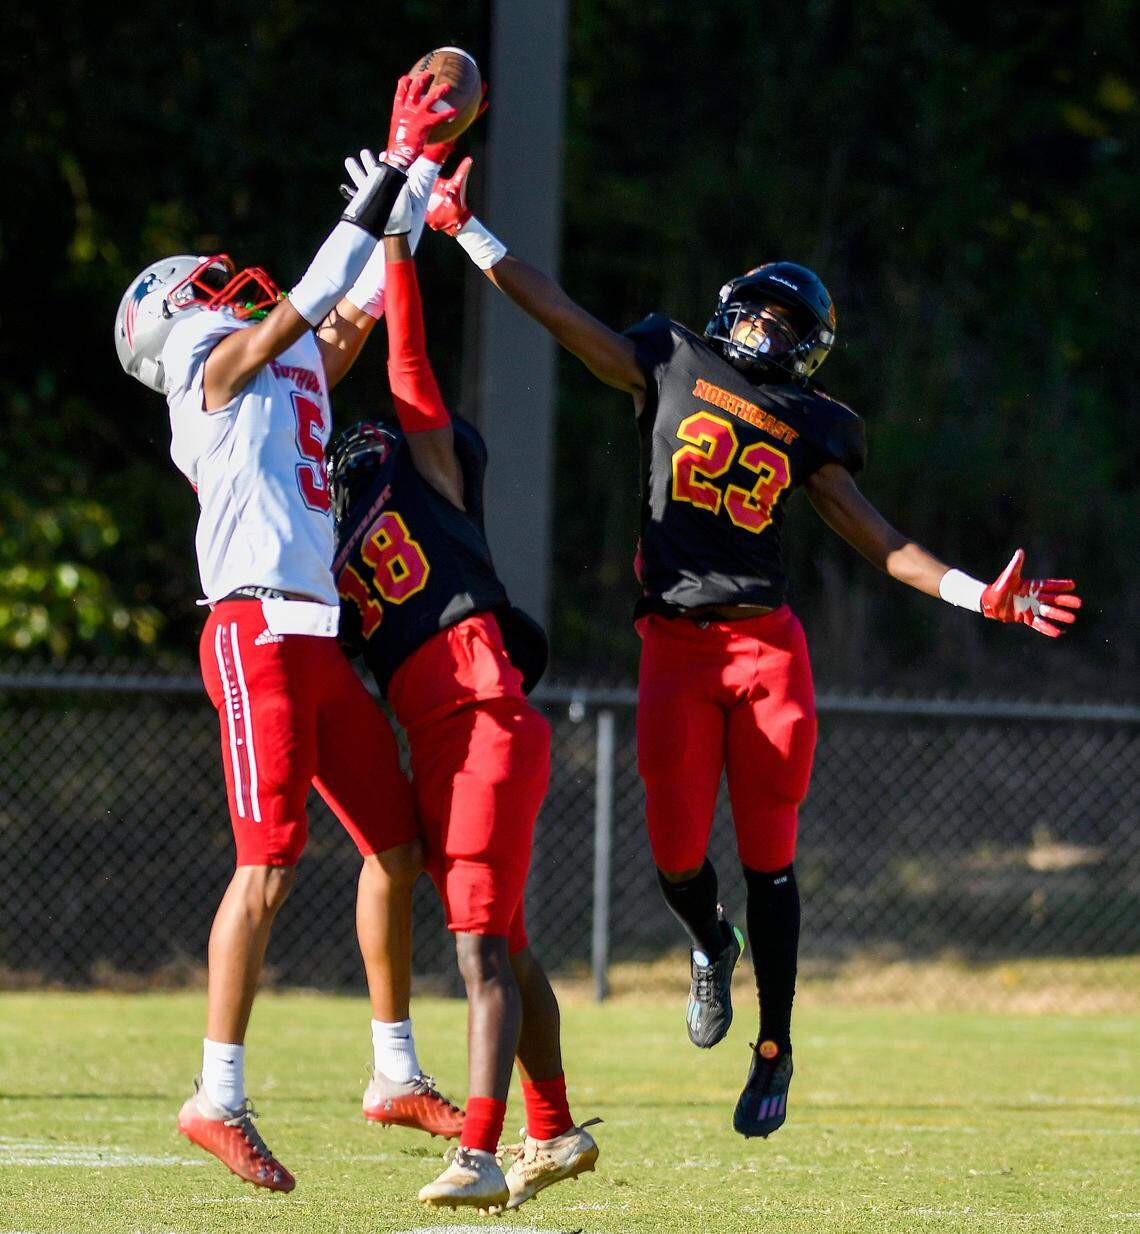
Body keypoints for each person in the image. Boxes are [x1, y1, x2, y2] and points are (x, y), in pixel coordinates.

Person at [423, 158, 1082, 1140]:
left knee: (772, 857)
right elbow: (563, 317)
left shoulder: (810, 423)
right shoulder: (668, 358)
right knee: (677, 856)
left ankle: (774, 1045)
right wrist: (467, 229)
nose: (763, 329)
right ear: (730, 309)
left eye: (783, 323)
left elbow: (877, 535)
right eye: (757, 313)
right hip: (675, 648)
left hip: (766, 652)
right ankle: (708, 942)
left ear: (806, 350)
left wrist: (976, 593)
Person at [112, 72, 464, 1192]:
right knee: (269, 861)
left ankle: (392, 1072)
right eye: (207, 284)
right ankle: (215, 1094)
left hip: (316, 637)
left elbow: (348, 309)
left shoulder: (290, 359)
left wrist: (406, 216)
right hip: (254, 631)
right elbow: (312, 294)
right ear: (178, 318)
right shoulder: (212, 376)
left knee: (397, 845)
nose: (229, 281)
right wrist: (394, 166)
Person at [327, 226, 599, 1213]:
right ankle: (554, 1126)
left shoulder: (428, 478)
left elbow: (407, 363)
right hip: (439, 738)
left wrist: (397, 247)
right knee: (510, 946)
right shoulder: (330, 543)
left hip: (482, 718)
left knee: (481, 948)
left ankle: (480, 1153)